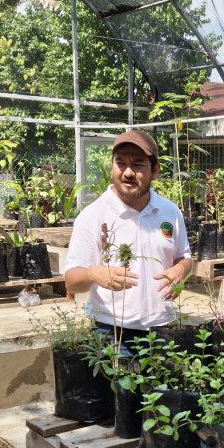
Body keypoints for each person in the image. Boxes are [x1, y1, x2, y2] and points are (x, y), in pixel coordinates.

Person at [64, 129, 193, 350]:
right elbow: (71, 282)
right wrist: (93, 274)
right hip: (112, 331)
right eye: (121, 163)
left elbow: (184, 257)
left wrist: (181, 269)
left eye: (138, 164)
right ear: (112, 167)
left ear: (155, 170)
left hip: (163, 327)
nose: (128, 172)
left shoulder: (169, 211)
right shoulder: (93, 216)